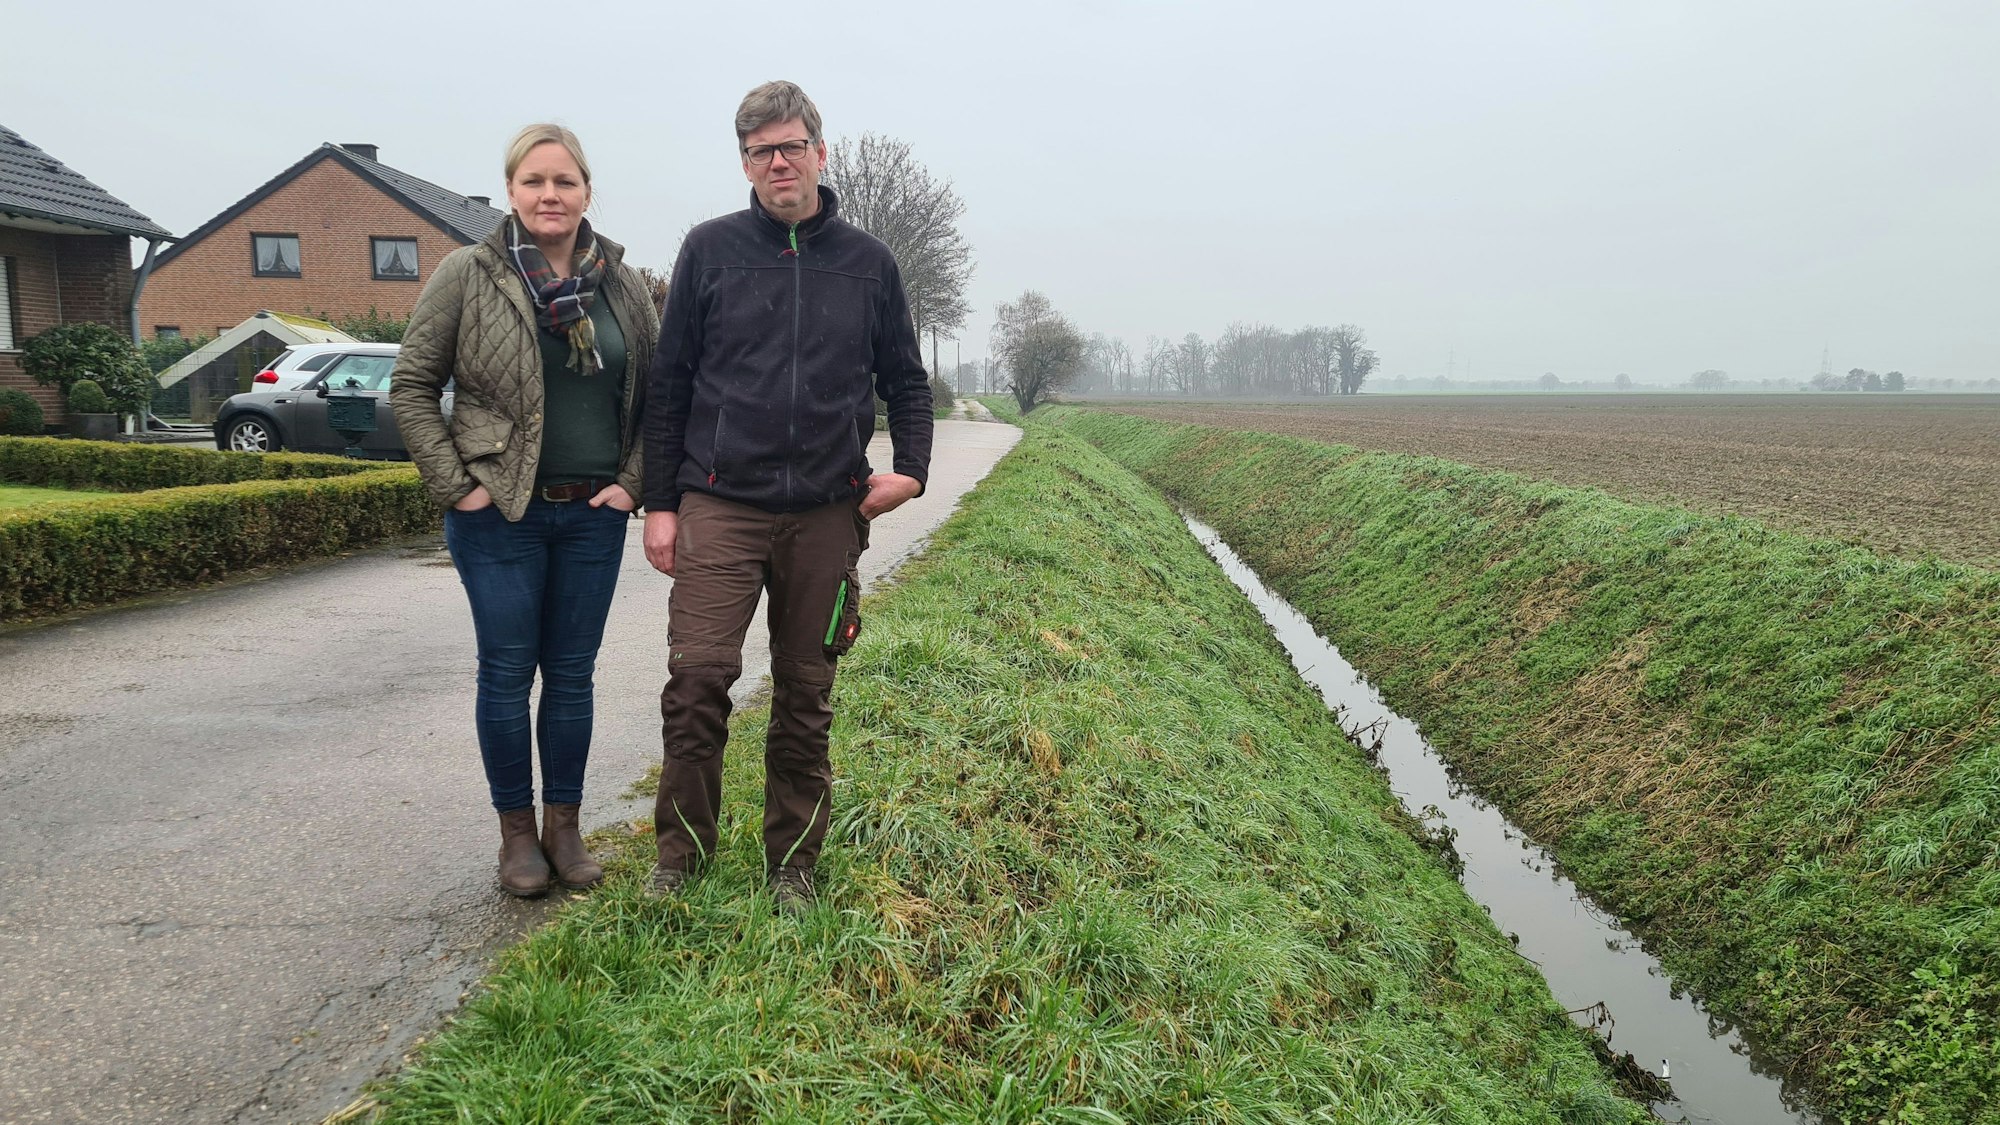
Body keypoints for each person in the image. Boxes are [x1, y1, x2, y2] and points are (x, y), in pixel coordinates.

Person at [643, 81, 933, 911]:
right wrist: (660, 504)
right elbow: (670, 384)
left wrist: (911, 468)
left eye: (791, 146)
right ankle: (682, 857)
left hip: (826, 512)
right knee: (698, 680)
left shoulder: (869, 264)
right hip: (719, 502)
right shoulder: (710, 250)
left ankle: (792, 867)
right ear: (745, 163)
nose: (778, 162)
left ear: (819, 152)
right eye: (760, 151)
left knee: (806, 695)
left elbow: (906, 379)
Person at [390, 124, 658, 898]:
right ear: (511, 190)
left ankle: (563, 828)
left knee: (571, 675)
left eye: (564, 181)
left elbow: (661, 394)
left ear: (587, 192)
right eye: (534, 181)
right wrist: (458, 486)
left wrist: (632, 482)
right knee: (508, 672)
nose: (550, 195)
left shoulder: (622, 284)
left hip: (592, 516)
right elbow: (411, 386)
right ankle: (516, 837)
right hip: (497, 516)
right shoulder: (467, 274)